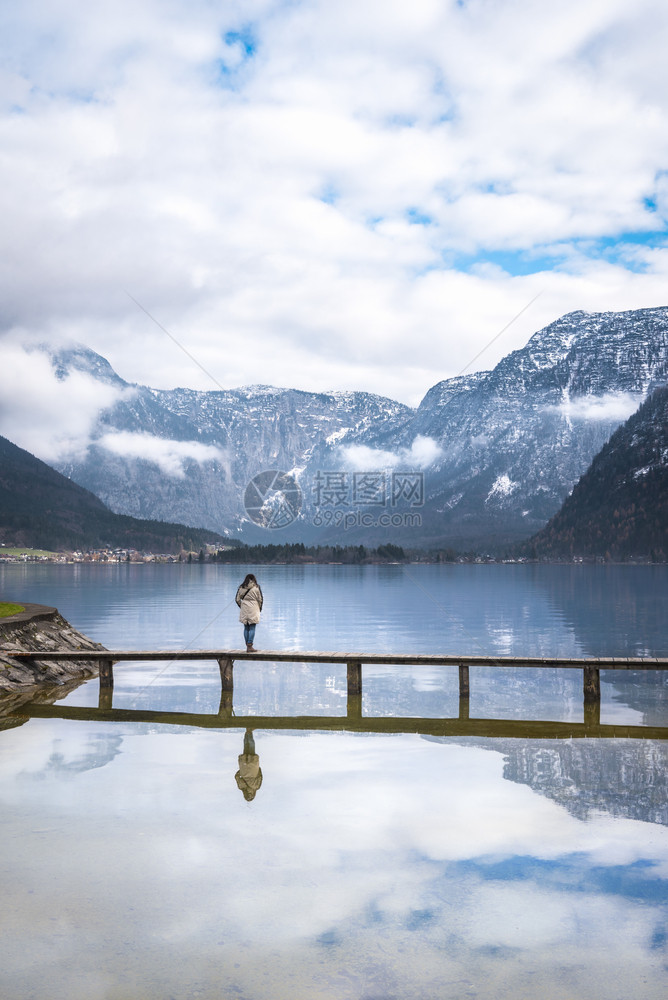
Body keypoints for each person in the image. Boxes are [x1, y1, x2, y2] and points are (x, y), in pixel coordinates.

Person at [235, 573, 263, 651]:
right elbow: (260, 599)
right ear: (254, 579)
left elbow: (237, 599)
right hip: (254, 608)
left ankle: (248, 646)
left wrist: (242, 606)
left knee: (246, 627)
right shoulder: (257, 587)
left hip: (244, 608)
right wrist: (259, 608)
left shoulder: (241, 587)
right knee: (252, 627)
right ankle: (250, 645)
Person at [235, 728, 263, 801]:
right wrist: (241, 770)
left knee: (251, 747)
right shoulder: (241, 787)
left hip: (253, 768)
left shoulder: (256, 787)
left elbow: (260, 776)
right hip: (244, 767)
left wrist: (258, 769)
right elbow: (237, 776)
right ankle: (247, 732)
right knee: (246, 747)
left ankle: (249, 731)